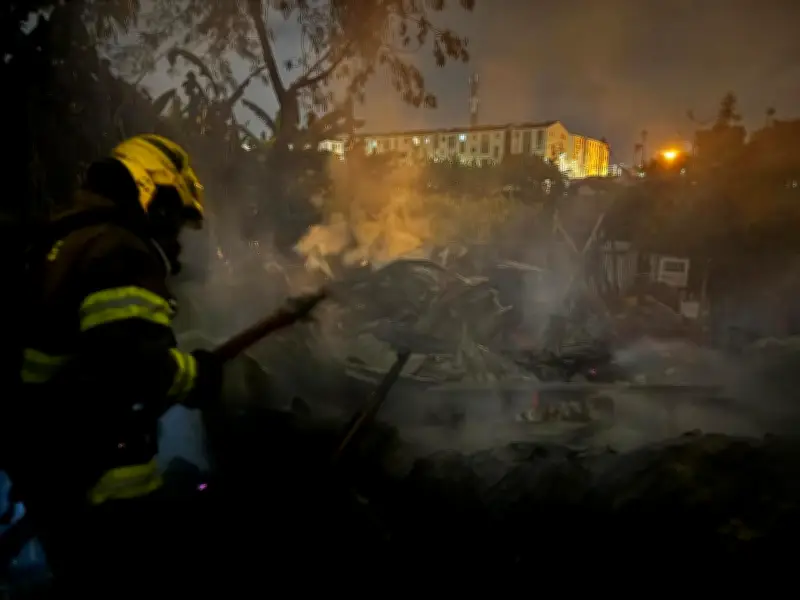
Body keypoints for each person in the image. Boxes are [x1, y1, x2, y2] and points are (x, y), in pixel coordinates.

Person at [12, 134, 224, 597]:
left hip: (42, 464)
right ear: (153, 195)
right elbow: (132, 367)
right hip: (97, 481)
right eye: (175, 217)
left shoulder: (66, 235)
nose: (176, 237)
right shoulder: (120, 249)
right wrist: (197, 375)